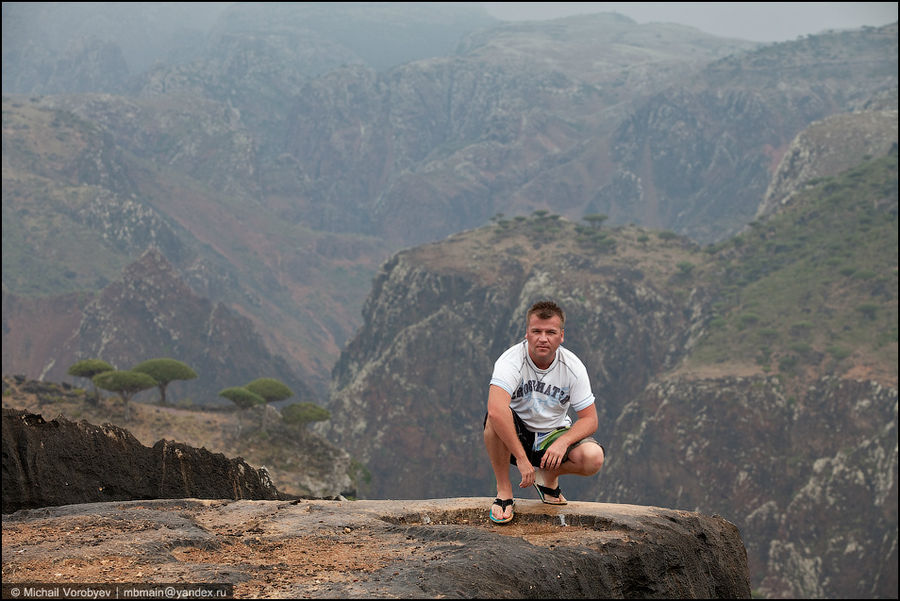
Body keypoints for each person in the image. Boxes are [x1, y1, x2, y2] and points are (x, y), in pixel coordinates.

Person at [483, 300, 605, 523]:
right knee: (494, 420)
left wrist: (563, 442)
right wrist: (521, 458)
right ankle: (504, 491)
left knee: (593, 457)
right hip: (516, 436)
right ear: (526, 334)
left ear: (561, 336)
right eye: (536, 331)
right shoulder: (511, 361)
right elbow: (496, 410)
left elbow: (590, 419)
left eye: (550, 332)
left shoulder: (573, 367)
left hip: (552, 436)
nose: (543, 338)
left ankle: (548, 476)